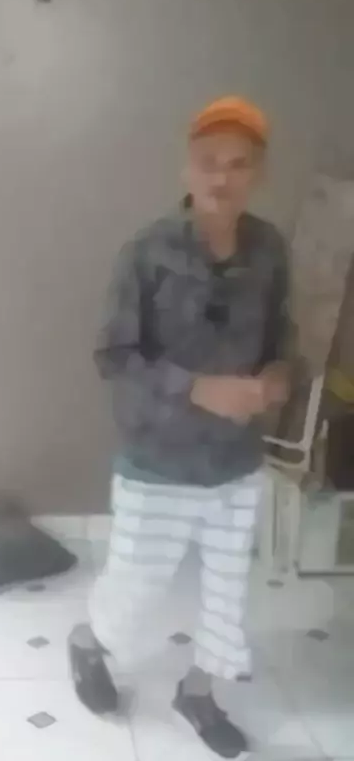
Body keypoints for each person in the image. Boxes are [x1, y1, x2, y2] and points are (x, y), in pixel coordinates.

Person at [68, 96, 293, 759]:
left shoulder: (270, 249)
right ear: (186, 169)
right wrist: (198, 388)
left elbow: (285, 338)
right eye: (208, 162)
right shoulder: (146, 252)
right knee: (135, 589)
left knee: (227, 596)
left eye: (239, 164)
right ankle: (88, 644)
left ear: (257, 174)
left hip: (236, 461)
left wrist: (277, 377)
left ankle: (200, 692)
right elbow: (113, 355)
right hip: (157, 459)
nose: (222, 177)